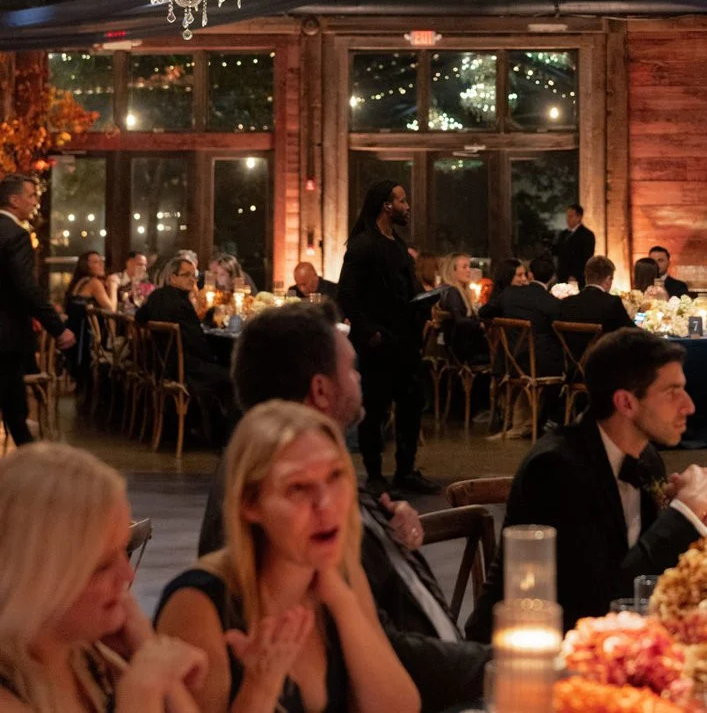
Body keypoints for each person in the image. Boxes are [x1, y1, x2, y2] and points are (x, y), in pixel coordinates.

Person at [197, 305, 489, 713]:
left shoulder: (311, 471)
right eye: (352, 368)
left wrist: (385, 521)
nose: (360, 377)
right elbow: (388, 655)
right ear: (320, 390)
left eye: (334, 481)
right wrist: (505, 668)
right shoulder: (263, 502)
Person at [156, 401, 422, 713]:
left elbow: (399, 708)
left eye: (336, 476)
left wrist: (342, 601)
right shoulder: (199, 603)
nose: (326, 504)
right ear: (250, 504)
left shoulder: (338, 574)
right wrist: (260, 687)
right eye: (298, 487)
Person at [466, 329, 707, 639]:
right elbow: (597, 601)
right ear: (626, 403)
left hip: (610, 641)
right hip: (520, 655)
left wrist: (705, 513)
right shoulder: (556, 468)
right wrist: (684, 514)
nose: (688, 406)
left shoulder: (645, 458)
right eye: (672, 391)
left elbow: (647, 573)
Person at [0, 441, 205, 711]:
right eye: (103, 565)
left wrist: (145, 646)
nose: (128, 573)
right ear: (35, 577)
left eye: (124, 550)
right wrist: (141, 694)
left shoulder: (83, 655)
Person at [338, 181, 437, 496]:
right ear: (386, 205)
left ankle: (405, 471)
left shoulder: (396, 244)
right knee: (376, 410)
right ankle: (376, 475)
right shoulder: (363, 246)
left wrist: (426, 301)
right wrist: (372, 334)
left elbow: (406, 291)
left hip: (404, 342)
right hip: (378, 344)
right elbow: (348, 296)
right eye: (402, 201)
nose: (407, 207)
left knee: (410, 406)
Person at [0, 174, 74, 446]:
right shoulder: (16, 235)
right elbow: (26, 287)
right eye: (31, 196)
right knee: (15, 410)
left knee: (14, 410)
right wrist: (57, 328)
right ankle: (34, 479)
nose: (35, 202)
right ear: (14, 200)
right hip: (6, 337)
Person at [136, 254, 234, 437]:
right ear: (172, 277)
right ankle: (227, 436)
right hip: (184, 370)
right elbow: (197, 343)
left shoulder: (157, 296)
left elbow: (139, 318)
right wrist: (215, 358)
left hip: (161, 366)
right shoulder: (181, 303)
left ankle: (205, 427)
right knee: (232, 377)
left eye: (194, 275)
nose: (192, 279)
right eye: (186, 275)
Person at [497, 253, 563, 377]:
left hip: (509, 362)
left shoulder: (510, 294)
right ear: (553, 277)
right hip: (540, 366)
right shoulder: (552, 303)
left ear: (531, 275)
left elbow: (484, 312)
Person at [63, 250, 118, 397]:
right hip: (87, 341)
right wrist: (113, 287)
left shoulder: (79, 282)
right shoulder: (93, 283)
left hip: (76, 339)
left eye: (101, 261)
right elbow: (111, 308)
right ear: (85, 266)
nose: (100, 264)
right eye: (95, 262)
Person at [437, 254, 489, 365]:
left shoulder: (455, 291)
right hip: (461, 349)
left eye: (469, 267)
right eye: (464, 267)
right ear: (452, 271)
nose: (469, 271)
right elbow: (460, 321)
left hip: (461, 344)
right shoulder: (452, 292)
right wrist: (479, 325)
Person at [559, 256, 633, 333]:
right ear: (608, 279)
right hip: (603, 345)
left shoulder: (567, 302)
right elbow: (633, 332)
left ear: (586, 276)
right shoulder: (612, 303)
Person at [553, 205, 595, 290]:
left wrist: (575, 275)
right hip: (562, 277)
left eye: (571, 216)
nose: (568, 219)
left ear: (579, 217)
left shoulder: (587, 235)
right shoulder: (563, 234)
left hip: (577, 278)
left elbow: (586, 257)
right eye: (567, 216)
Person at [478, 257, 528, 322]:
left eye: (525, 274)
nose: (524, 279)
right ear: (507, 276)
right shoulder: (502, 298)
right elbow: (483, 312)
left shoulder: (526, 294)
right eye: (519, 275)